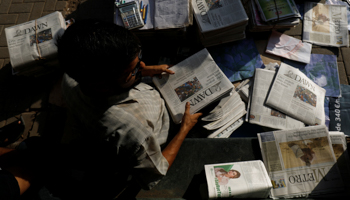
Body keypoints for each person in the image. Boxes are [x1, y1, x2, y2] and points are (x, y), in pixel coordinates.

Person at [57, 19, 202, 192]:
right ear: (103, 85)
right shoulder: (134, 132)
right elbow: (156, 171)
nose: (142, 65)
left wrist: (144, 71)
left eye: (139, 60)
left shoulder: (71, 77)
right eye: (131, 72)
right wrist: (184, 129)